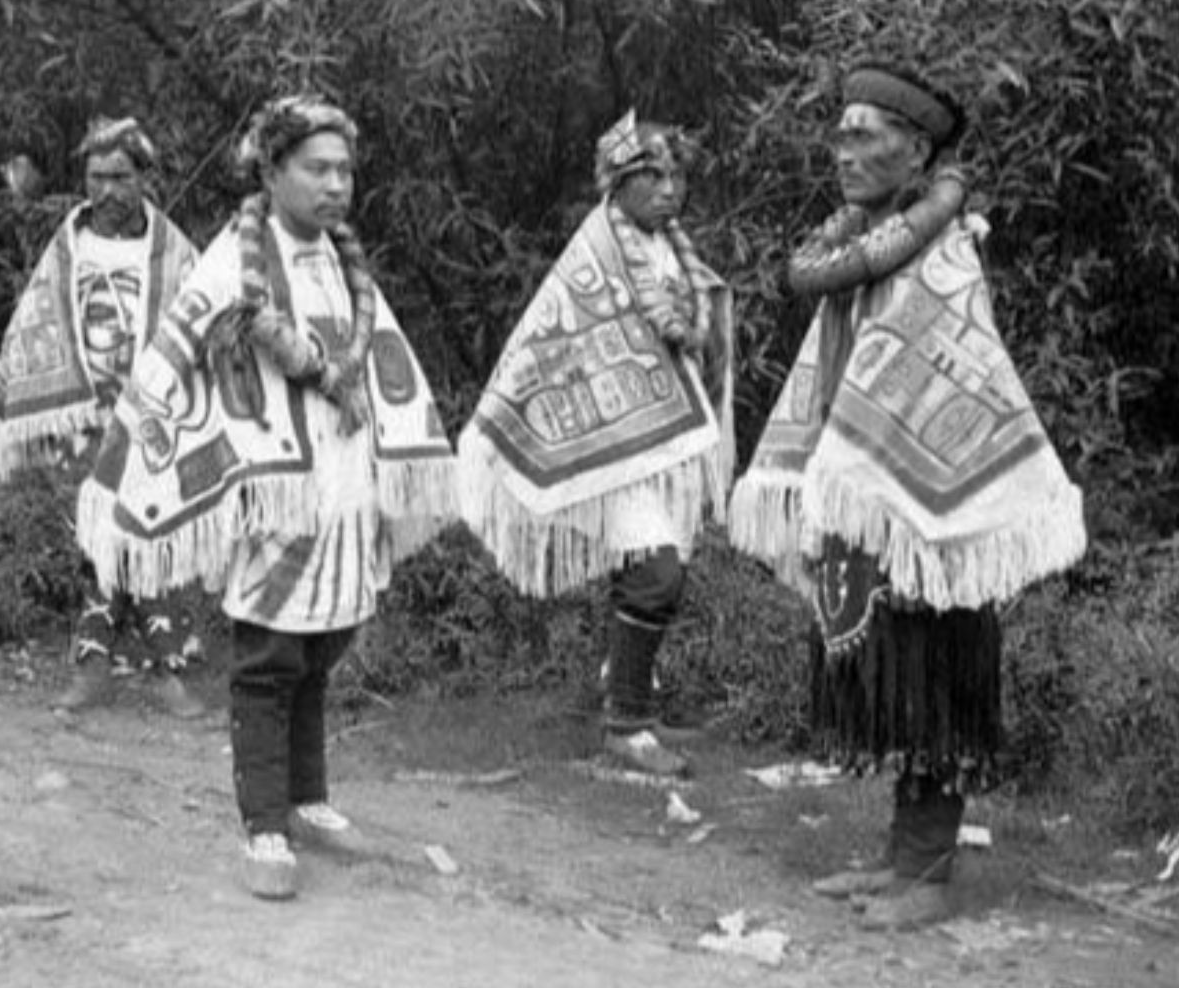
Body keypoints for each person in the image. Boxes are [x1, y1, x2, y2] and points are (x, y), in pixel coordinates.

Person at [729, 65, 1086, 929]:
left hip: (933, 510)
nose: (842, 149)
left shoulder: (944, 247)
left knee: (933, 674)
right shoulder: (863, 242)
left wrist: (900, 476)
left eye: (864, 134)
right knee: (893, 674)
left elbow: (950, 372)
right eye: (840, 132)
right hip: (874, 503)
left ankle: (929, 873)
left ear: (916, 148)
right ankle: (899, 858)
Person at [77, 95, 457, 900]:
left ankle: (308, 797)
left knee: (327, 644)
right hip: (273, 485)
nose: (336, 185)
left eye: (345, 170)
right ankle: (264, 825)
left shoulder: (343, 260)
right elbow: (178, 355)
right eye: (316, 169)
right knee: (270, 655)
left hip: (342, 475)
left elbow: (378, 357)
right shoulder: (232, 262)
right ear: (274, 171)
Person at [457, 112, 734, 777]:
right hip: (613, 443)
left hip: (661, 445)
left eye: (677, 176)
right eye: (652, 177)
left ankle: (632, 700)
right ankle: (626, 727)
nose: (669, 190)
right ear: (619, 184)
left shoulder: (673, 246)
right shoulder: (597, 253)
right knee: (653, 572)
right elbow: (560, 340)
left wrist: (703, 329)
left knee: (663, 573)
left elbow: (699, 324)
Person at [0, 117, 206, 718]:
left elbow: (203, 328)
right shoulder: (70, 245)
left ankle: (166, 669)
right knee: (95, 537)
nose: (106, 191)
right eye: (96, 178)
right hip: (87, 418)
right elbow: (39, 322)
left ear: (144, 179)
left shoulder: (175, 253)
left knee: (154, 533)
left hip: (156, 422)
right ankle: (93, 666)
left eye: (120, 177)